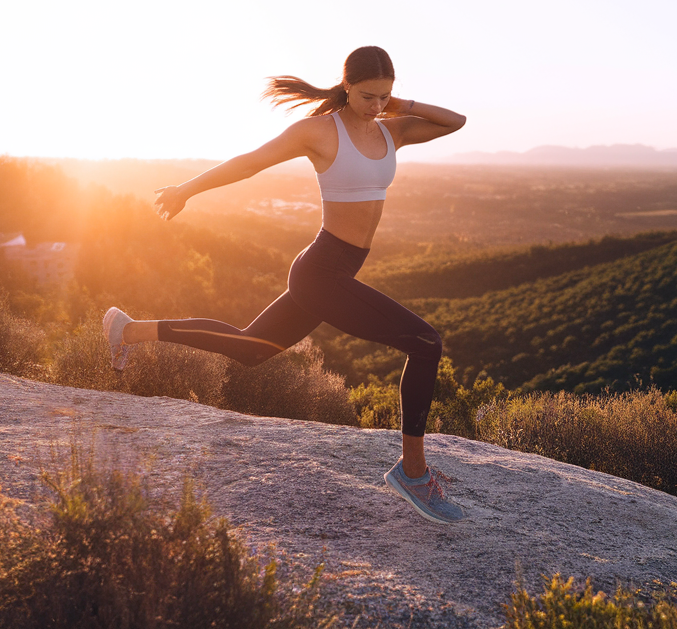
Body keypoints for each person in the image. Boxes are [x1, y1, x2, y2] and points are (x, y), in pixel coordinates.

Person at [103, 46, 468, 524]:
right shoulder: (319, 131)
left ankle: (128, 330)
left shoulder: (391, 130)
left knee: (249, 349)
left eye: (384, 96)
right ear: (345, 85)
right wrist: (186, 190)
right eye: (366, 95)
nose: (376, 105)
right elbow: (250, 163)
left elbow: (456, 121)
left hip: (339, 271)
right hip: (321, 271)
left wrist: (403, 106)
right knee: (425, 343)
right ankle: (413, 473)